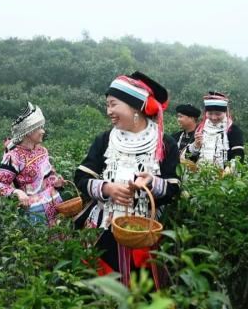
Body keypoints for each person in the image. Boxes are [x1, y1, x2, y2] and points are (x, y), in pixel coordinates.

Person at [73, 71, 180, 288]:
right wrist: (107, 188)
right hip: (103, 232)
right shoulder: (105, 139)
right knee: (101, 292)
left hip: (145, 234)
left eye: (113, 104)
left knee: (142, 292)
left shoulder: (164, 143)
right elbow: (81, 177)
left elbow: (174, 188)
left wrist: (152, 182)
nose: (109, 111)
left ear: (135, 107)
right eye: (107, 105)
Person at [0, 102, 64, 226]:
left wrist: (57, 182)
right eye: (39, 128)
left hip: (56, 205)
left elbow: (49, 176)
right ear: (29, 132)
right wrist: (17, 192)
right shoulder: (13, 157)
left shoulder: (42, 151)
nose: (43, 131)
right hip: (35, 213)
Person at [187, 91, 245, 168]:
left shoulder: (233, 130)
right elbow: (188, 156)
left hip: (224, 176)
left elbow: (238, 154)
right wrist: (196, 145)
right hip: (199, 175)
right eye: (210, 113)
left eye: (218, 114)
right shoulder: (200, 128)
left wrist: (230, 169)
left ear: (225, 113)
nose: (214, 117)